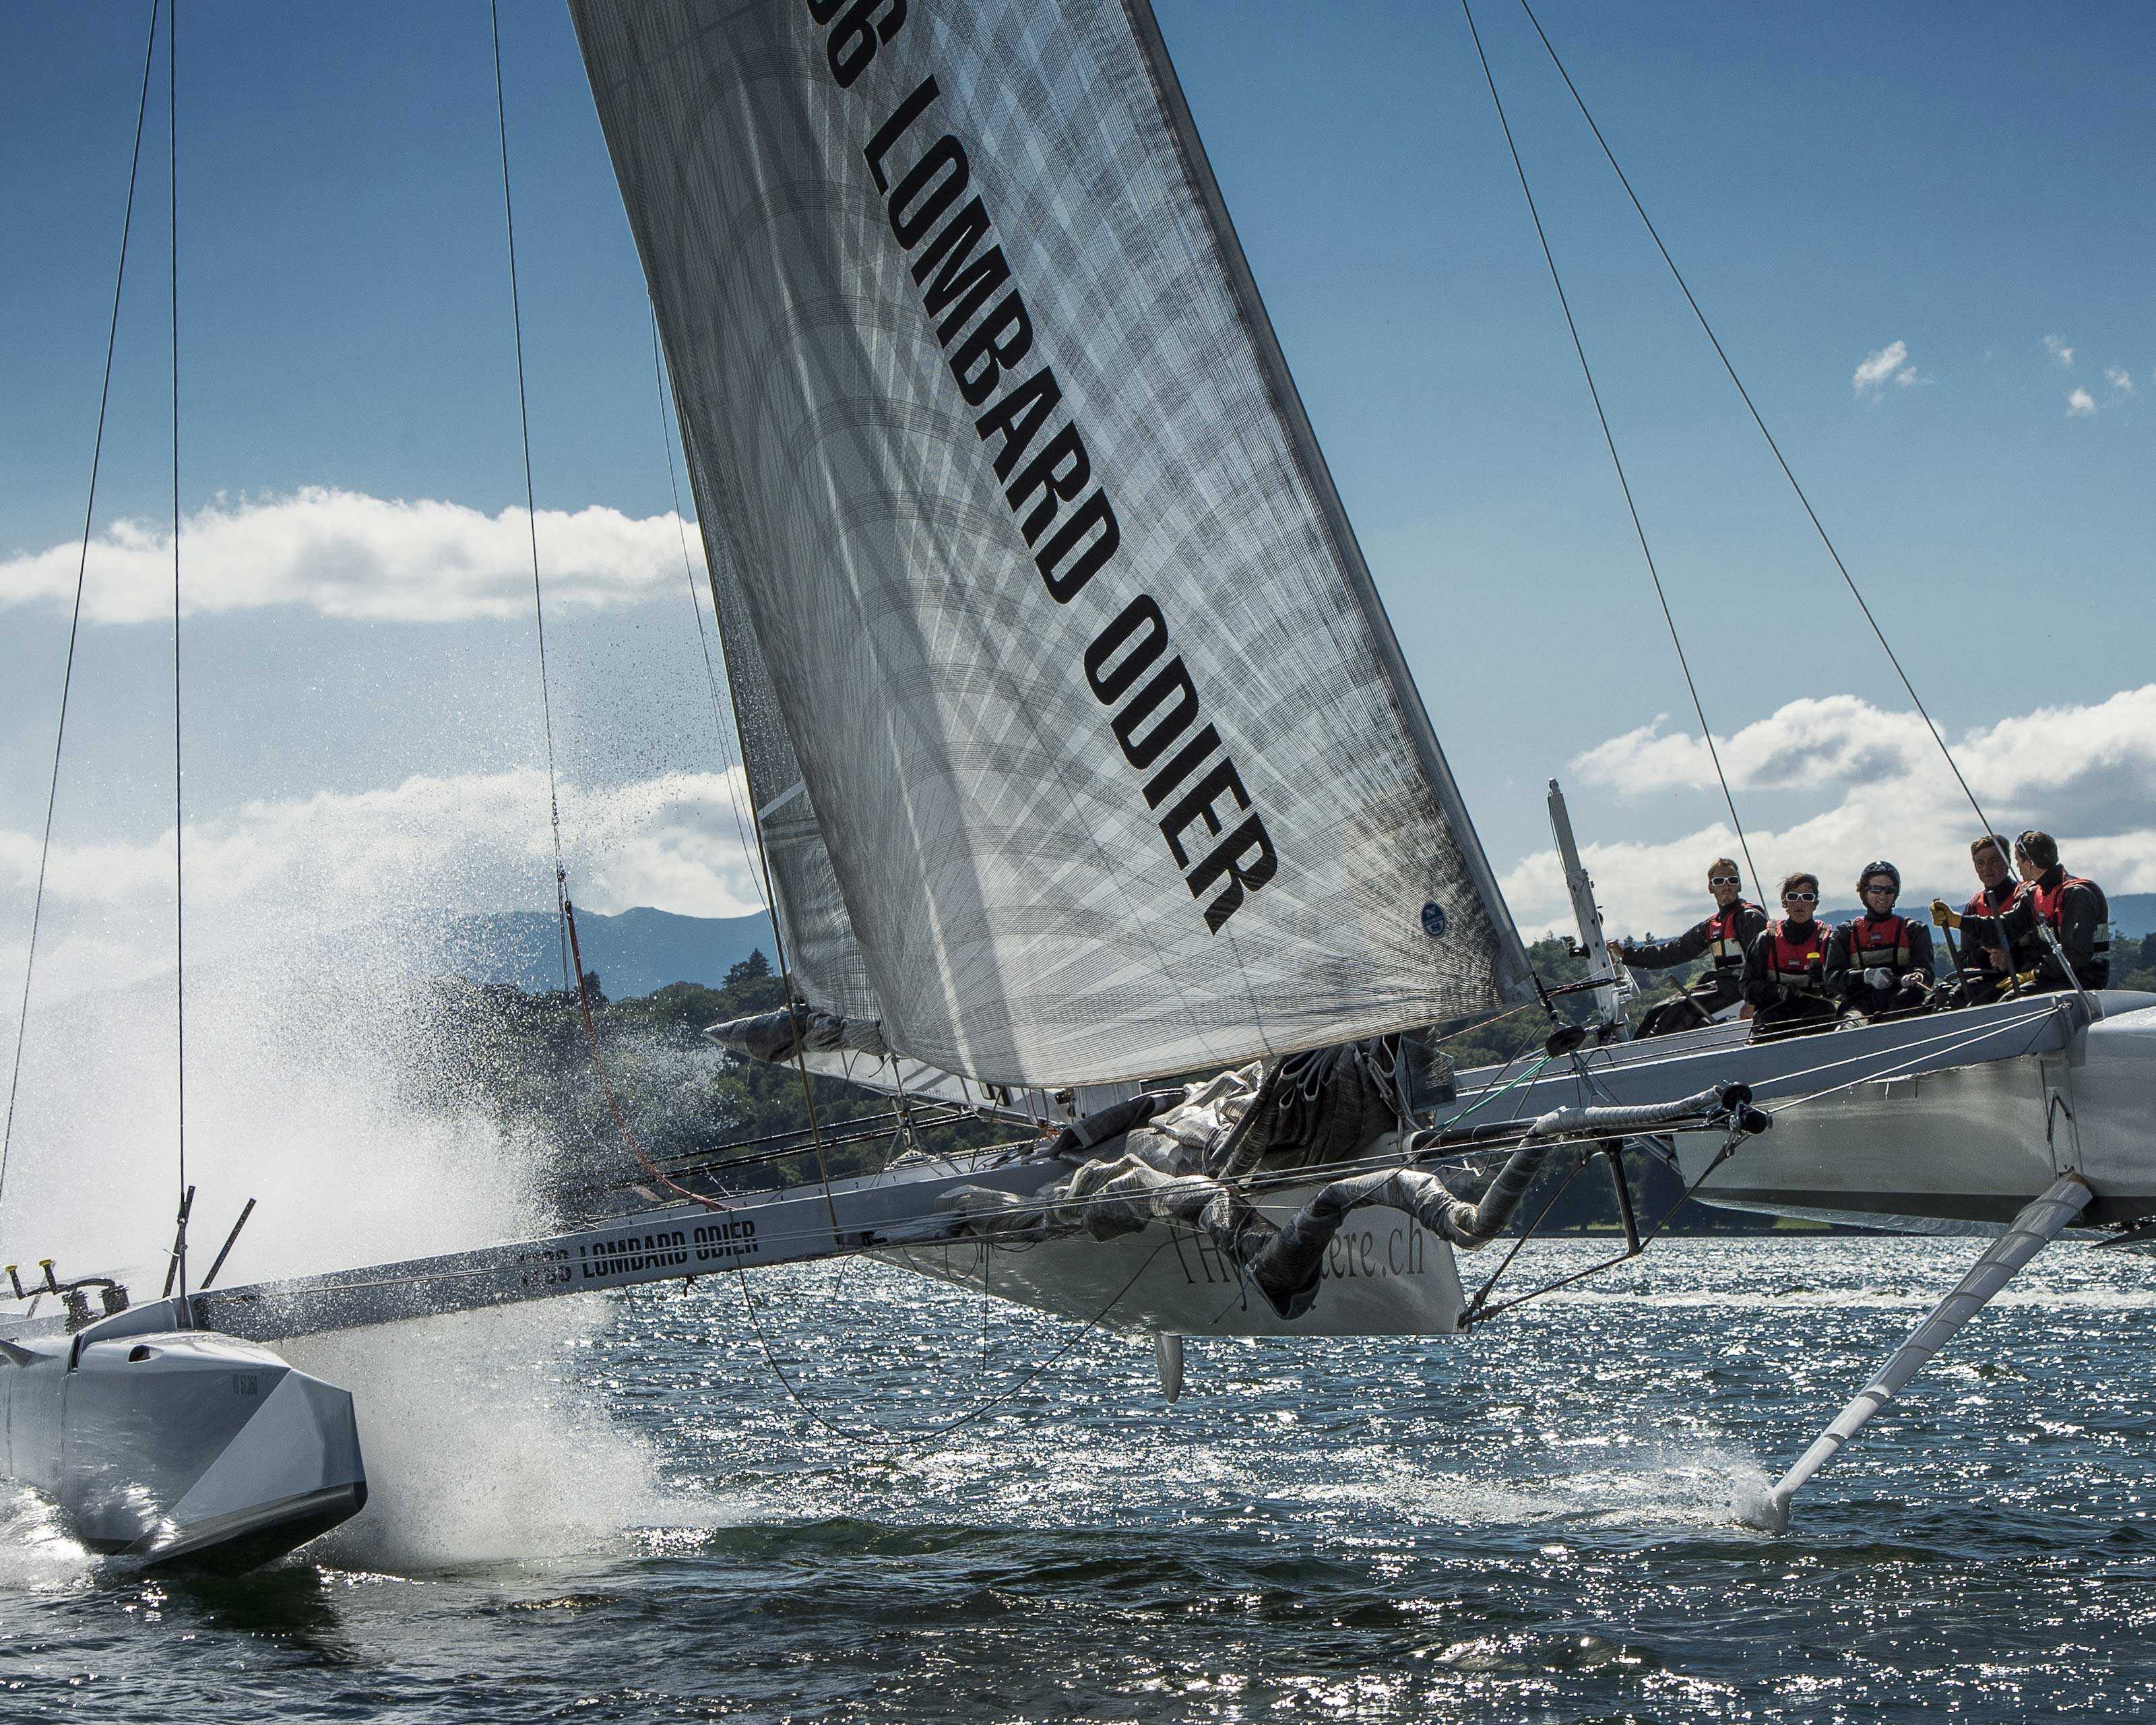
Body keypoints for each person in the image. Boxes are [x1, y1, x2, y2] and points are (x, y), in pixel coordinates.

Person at [1932, 829, 2110, 995]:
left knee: (2014, 1000)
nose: (2017, 866)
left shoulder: (2077, 895)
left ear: (2030, 863)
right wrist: (1957, 921)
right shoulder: (2034, 895)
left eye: (2018, 861)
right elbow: (2003, 929)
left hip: (2084, 977)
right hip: (2053, 973)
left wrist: (2033, 973)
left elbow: (2077, 954)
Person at [1608, 859, 1767, 1037]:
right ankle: (1632, 1054)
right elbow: (1674, 951)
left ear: (1740, 886)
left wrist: (1752, 1002)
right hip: (1722, 984)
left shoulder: (1750, 918)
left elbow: (1764, 962)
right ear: (1711, 888)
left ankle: (1650, 1057)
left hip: (1743, 986)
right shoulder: (1711, 926)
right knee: (1655, 1011)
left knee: (1677, 1011)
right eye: (1719, 881)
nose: (1727, 885)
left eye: (1733, 880)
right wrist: (1627, 955)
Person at [1825, 860, 1934, 1018]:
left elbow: (1925, 970)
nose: (1883, 896)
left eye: (1889, 890)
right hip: (1859, 1005)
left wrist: (1917, 976)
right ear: (1864, 892)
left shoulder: (1915, 930)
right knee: (1850, 1026)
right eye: (1876, 890)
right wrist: (1866, 976)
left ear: (1895, 894)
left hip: (1904, 1003)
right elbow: (1832, 979)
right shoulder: (1845, 933)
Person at [1742, 871, 1839, 1038]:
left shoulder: (1828, 941)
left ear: (1815, 903)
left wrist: (1824, 980)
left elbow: (1840, 990)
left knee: (1826, 1015)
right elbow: (1747, 987)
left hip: (1817, 1015)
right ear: (1785, 902)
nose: (1800, 903)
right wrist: (1777, 991)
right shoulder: (1766, 940)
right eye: (1793, 897)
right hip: (1773, 1013)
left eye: (1807, 897)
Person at [1942, 834, 2025, 1005]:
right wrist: (1988, 955)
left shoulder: (2023, 896)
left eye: (1994, 861)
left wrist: (2009, 957)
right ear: (1975, 868)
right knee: (1948, 997)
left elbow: (2036, 948)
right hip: (1986, 977)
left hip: (2021, 975)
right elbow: (1965, 957)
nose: (1987, 868)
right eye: (1981, 863)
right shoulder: (1974, 905)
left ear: (2007, 862)